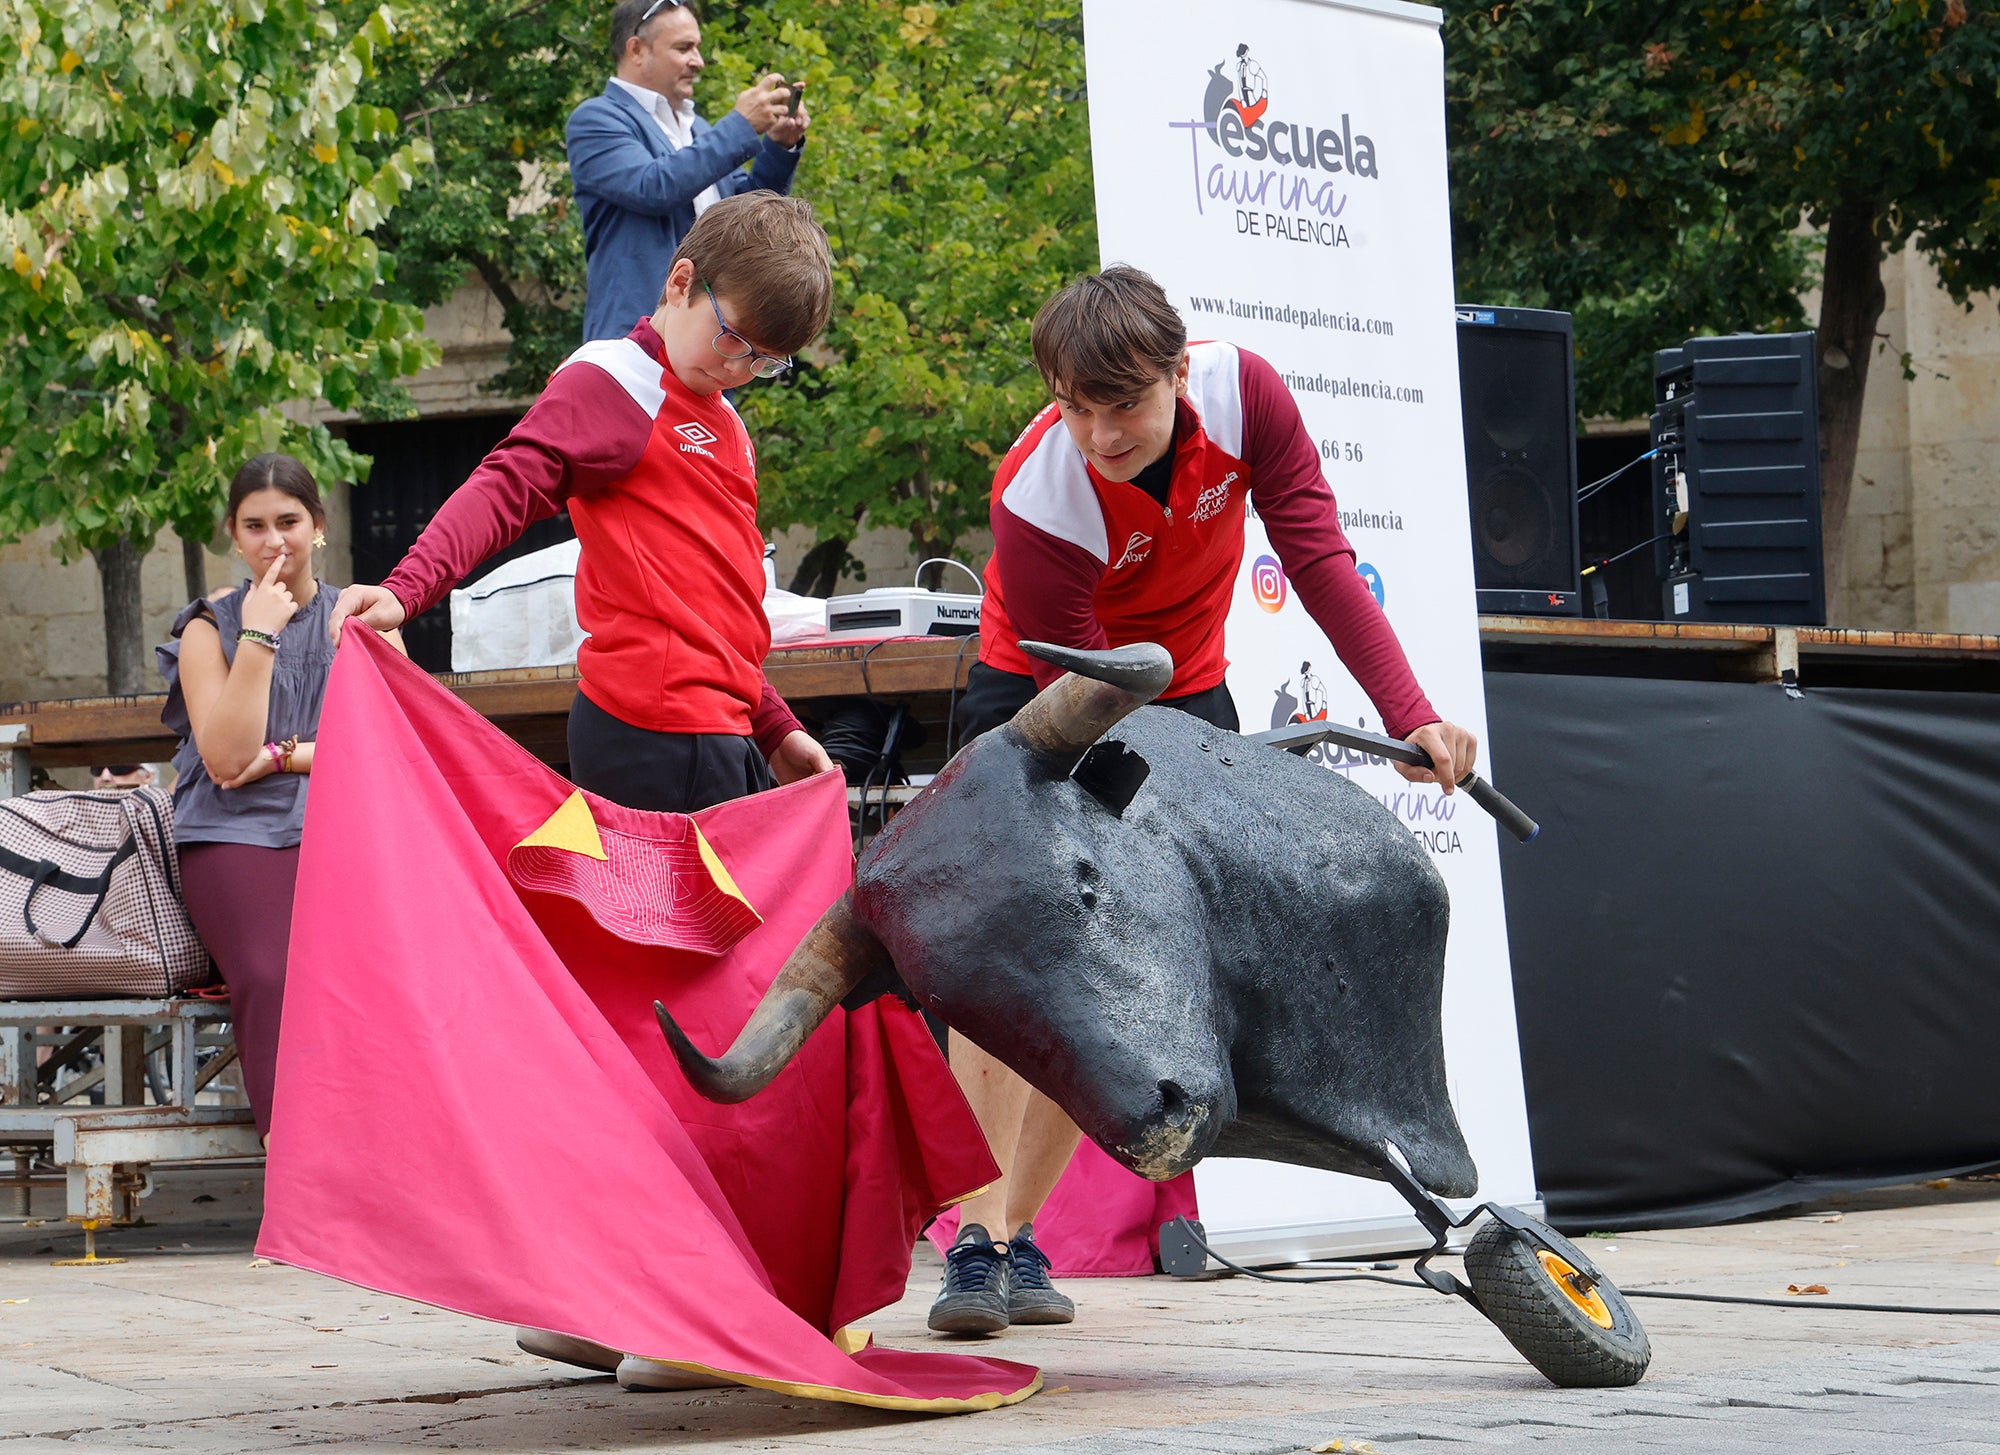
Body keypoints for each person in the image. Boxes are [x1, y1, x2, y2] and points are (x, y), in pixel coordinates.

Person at [329, 193, 837, 1390]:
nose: (745, 367)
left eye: (769, 360)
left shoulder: (722, 421)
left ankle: (613, 1290)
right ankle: (659, 1305)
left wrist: (774, 727)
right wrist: (406, 589)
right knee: (667, 1021)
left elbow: (720, 605)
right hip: (644, 746)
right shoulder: (617, 378)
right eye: (736, 338)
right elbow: (510, 482)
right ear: (677, 281)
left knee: (681, 1020)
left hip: (715, 741)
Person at [927, 265, 1482, 1336]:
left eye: (1122, 404)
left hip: (1184, 682)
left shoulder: (1247, 399)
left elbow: (1317, 558)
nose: (1098, 434)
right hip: (1045, 692)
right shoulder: (1035, 495)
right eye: (1073, 408)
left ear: (1179, 372)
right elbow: (1079, 694)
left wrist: (1409, 713)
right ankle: (972, 1244)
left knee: (1107, 977)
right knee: (1014, 960)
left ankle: (1023, 1235)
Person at [156, 455, 394, 1141]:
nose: (274, 541)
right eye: (255, 526)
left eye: (288, 521)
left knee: (388, 960)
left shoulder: (365, 617)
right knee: (272, 968)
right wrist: (258, 632)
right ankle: (296, 1155)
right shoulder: (208, 627)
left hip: (345, 821)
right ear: (233, 535)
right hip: (234, 832)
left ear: (318, 525)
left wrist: (289, 755)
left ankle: (391, 1146)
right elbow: (228, 757)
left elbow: (392, 745)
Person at [569, 0, 809, 343]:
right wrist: (739, 125)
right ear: (636, 49)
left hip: (711, 343)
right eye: (684, 48)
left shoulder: (698, 129)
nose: (698, 61)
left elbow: (744, 222)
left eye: (697, 48)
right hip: (635, 344)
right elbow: (653, 187)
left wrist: (779, 146)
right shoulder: (597, 119)